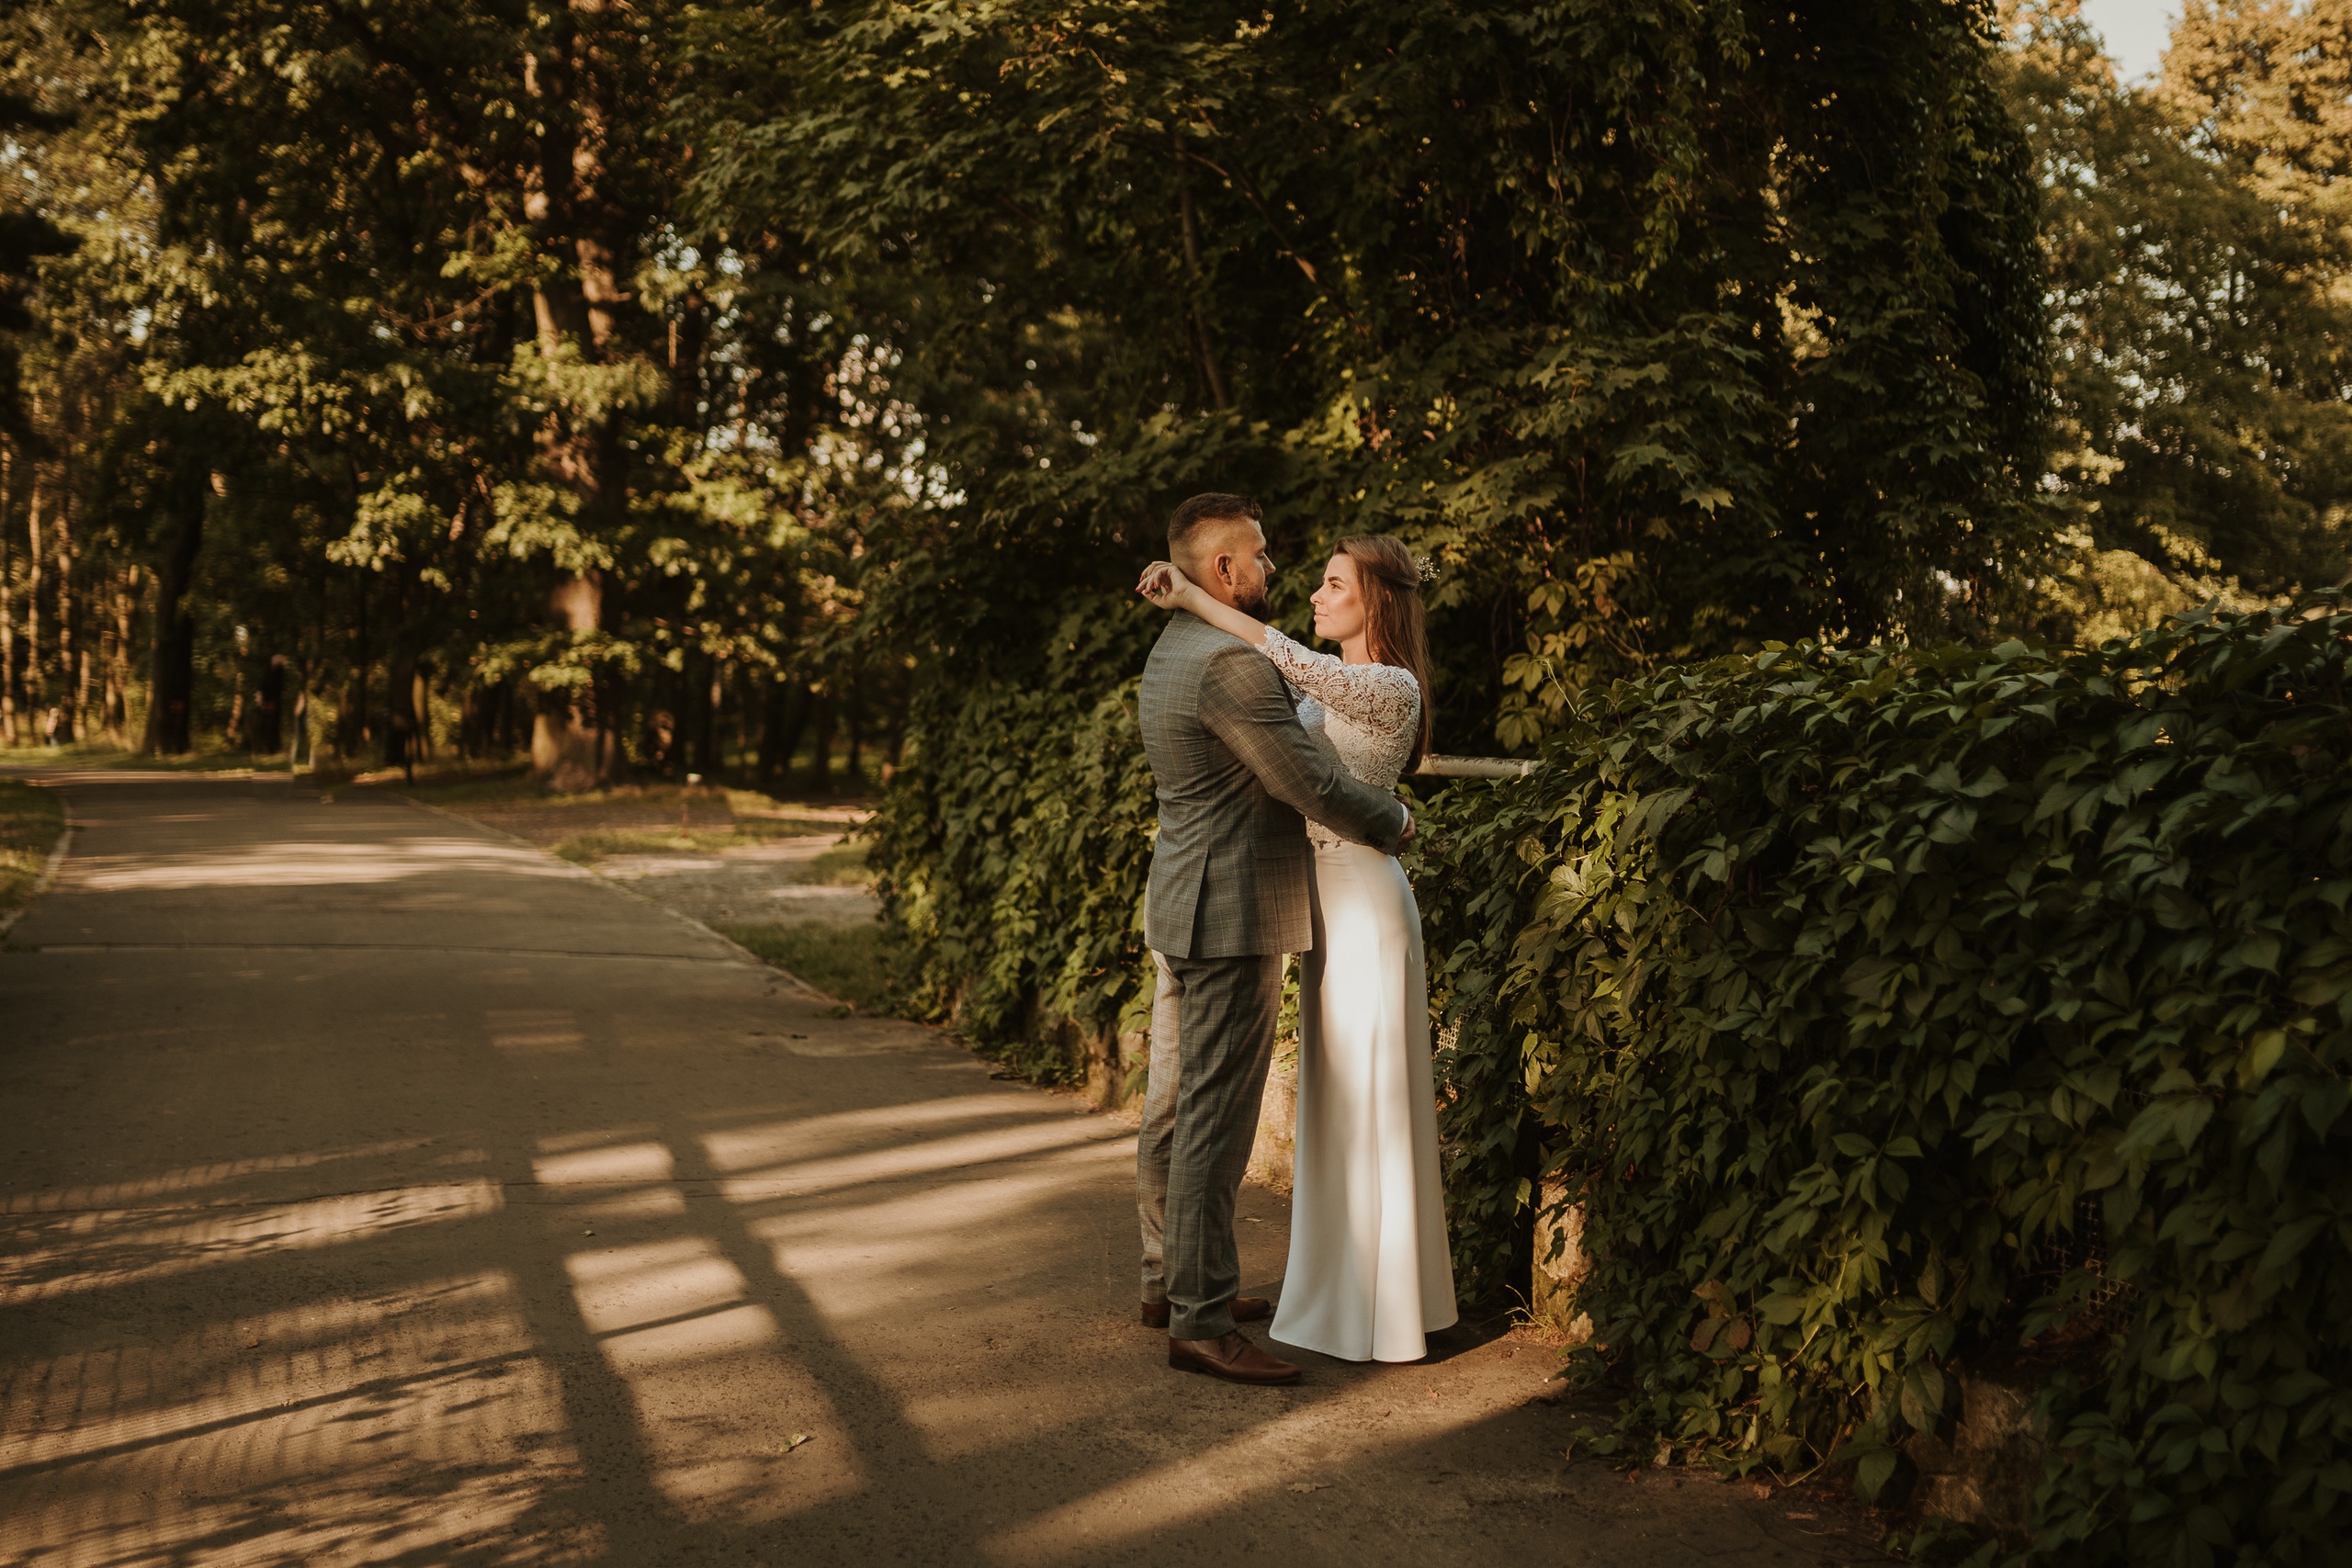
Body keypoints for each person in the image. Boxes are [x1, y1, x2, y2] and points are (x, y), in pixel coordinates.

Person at [1138, 531, 1458, 1364]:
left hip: (1363, 899)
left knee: (1368, 1101)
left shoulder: (1388, 685)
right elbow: (1290, 745)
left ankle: (1377, 1304)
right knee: (1325, 1103)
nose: (1312, 594)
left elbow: (1286, 669)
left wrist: (1191, 596)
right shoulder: (1291, 675)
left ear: (1377, 600)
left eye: (1332, 583)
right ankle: (1306, 1289)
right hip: (1313, 902)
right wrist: (1193, 593)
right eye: (1310, 579)